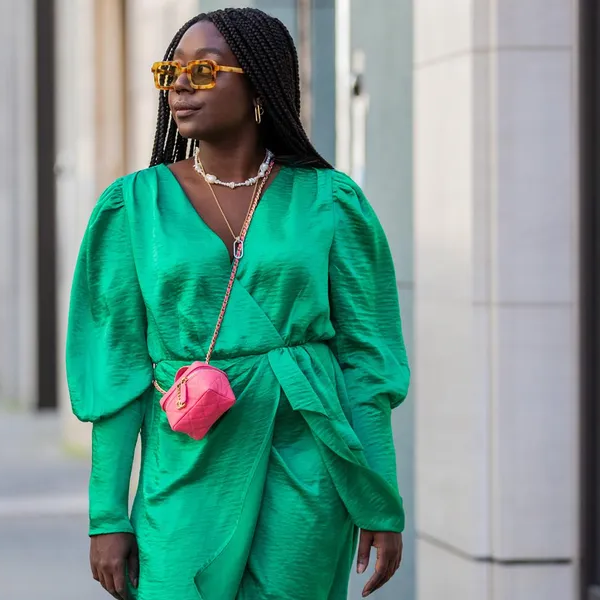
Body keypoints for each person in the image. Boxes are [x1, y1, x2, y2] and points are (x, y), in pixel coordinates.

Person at [66, 7, 409, 599]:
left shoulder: (330, 200)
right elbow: (116, 371)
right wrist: (107, 515)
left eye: (203, 70)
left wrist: (379, 497)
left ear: (260, 84)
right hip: (186, 458)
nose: (180, 84)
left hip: (307, 458)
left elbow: (366, 362)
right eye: (170, 71)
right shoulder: (134, 206)